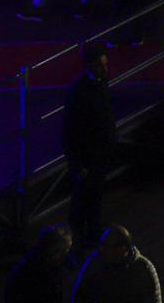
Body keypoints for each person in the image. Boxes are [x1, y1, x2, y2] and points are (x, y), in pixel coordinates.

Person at [63, 44, 116, 250]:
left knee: (93, 201)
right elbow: (70, 131)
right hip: (87, 158)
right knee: (81, 203)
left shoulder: (99, 84)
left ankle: (89, 241)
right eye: (101, 65)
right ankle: (76, 243)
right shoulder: (80, 92)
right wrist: (76, 164)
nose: (106, 69)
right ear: (91, 65)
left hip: (99, 155)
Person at [70, 225, 160, 303]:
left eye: (108, 247)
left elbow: (153, 299)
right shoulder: (94, 264)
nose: (102, 250)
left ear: (123, 248)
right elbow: (80, 294)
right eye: (102, 245)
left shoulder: (142, 268)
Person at [6, 224, 72, 303]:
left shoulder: (30, 259)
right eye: (67, 249)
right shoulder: (44, 275)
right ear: (58, 252)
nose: (67, 253)